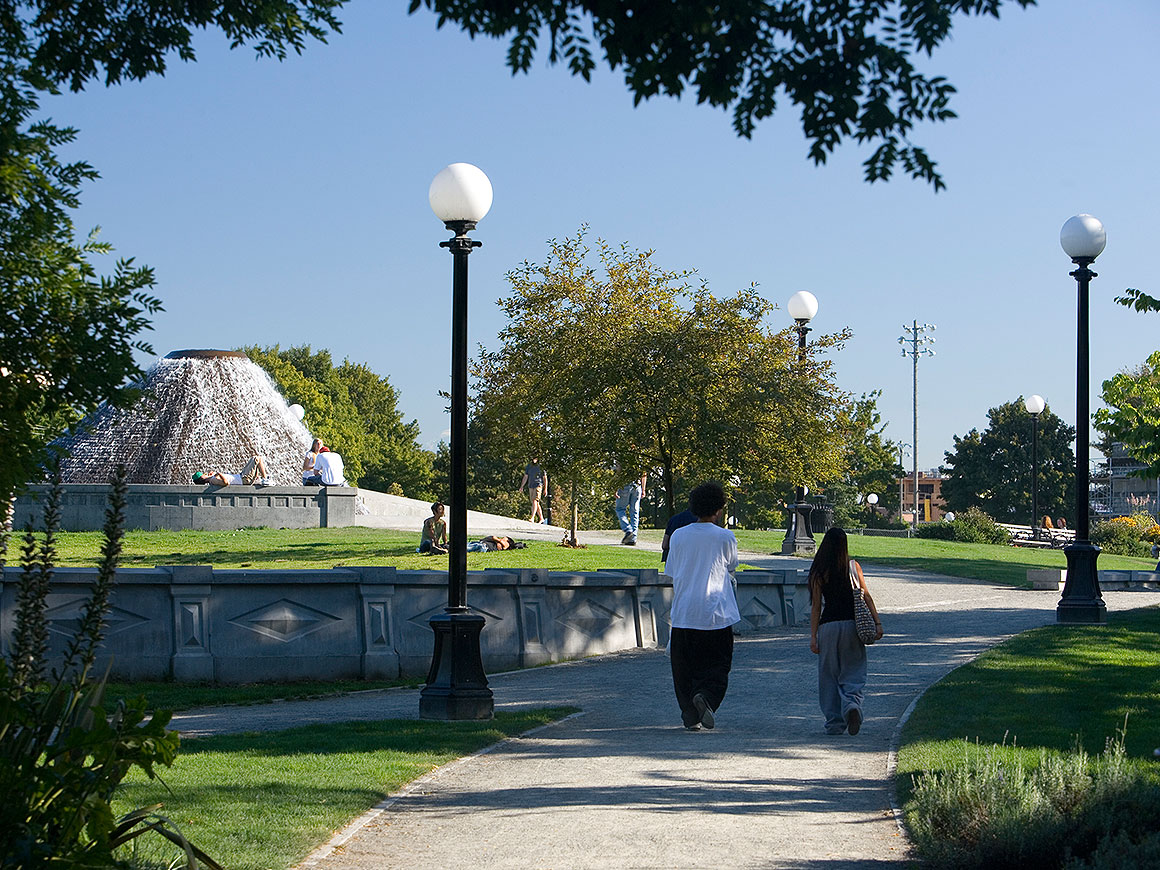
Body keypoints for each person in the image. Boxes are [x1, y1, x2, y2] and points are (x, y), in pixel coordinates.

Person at [665, 481, 740, 732]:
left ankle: (689, 713)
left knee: (684, 668)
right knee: (718, 665)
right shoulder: (725, 537)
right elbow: (731, 567)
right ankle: (706, 697)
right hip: (716, 612)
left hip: (684, 612)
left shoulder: (678, 535)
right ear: (719, 509)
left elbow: (672, 571)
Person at [808, 527, 883, 736]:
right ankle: (852, 704)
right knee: (854, 670)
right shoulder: (853, 567)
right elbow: (866, 596)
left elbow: (816, 607)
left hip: (828, 627)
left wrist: (813, 636)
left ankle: (834, 722)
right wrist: (877, 623)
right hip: (852, 626)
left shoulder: (818, 571)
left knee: (829, 675)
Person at [192, 456, 272, 487]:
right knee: (257, 459)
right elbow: (226, 483)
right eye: (202, 474)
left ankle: (260, 479)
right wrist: (218, 474)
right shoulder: (213, 480)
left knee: (254, 460)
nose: (204, 473)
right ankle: (265, 479)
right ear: (201, 477)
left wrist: (214, 475)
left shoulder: (212, 479)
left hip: (242, 476)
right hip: (244, 479)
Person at [615, 471, 647, 545]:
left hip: (625, 485)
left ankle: (628, 530)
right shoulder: (641, 459)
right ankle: (633, 538)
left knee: (620, 509)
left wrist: (615, 488)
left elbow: (618, 472)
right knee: (635, 512)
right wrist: (643, 489)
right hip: (637, 485)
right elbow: (644, 474)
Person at [518, 457, 548, 524]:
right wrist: (522, 486)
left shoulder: (541, 466)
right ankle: (541, 518)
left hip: (538, 484)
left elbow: (545, 478)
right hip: (531, 485)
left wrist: (545, 489)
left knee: (535, 500)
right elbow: (526, 476)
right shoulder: (529, 466)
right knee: (535, 503)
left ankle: (532, 517)